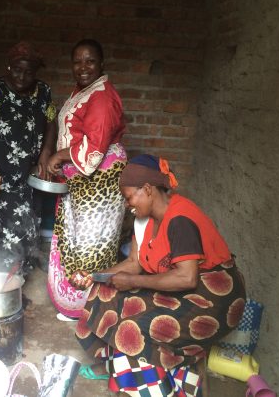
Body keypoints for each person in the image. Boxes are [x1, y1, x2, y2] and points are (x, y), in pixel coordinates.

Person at [73, 154, 247, 397]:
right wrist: (94, 276)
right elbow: (134, 263)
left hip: (214, 299)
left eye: (129, 197)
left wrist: (132, 282)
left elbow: (187, 278)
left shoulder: (180, 219)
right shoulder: (143, 221)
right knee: (103, 292)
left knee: (133, 326)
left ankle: (154, 388)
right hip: (183, 289)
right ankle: (115, 366)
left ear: (147, 189)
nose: (128, 204)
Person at [46, 39, 127, 319]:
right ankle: (78, 305)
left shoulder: (102, 97)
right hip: (83, 181)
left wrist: (58, 157)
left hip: (99, 182)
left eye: (90, 61)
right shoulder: (85, 91)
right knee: (79, 241)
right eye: (78, 61)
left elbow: (93, 151)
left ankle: (88, 308)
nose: (83, 67)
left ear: (101, 64)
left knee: (92, 245)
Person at [0, 41, 56, 274]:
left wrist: (46, 152)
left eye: (29, 72)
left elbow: (51, 124)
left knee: (24, 222)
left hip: (26, 173)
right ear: (8, 67)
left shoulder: (43, 92)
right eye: (17, 69)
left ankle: (17, 273)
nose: (22, 76)